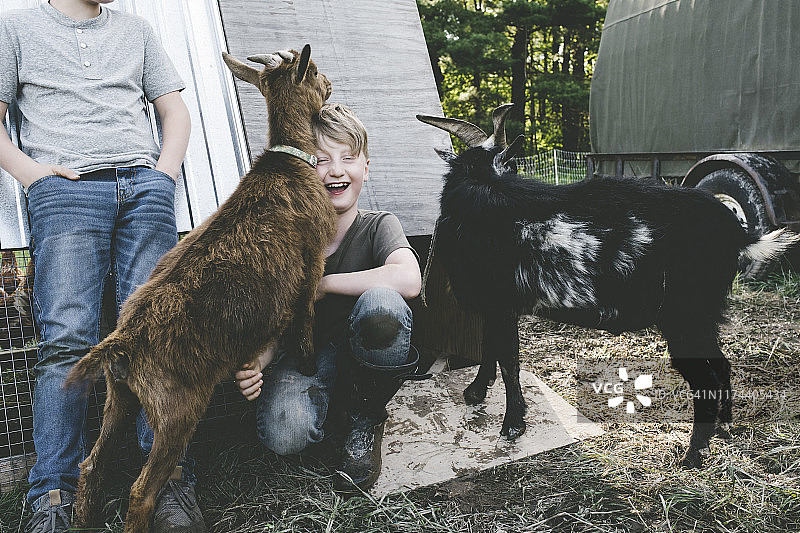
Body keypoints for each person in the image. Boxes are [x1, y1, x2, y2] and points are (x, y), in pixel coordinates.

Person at [0, 1, 202, 531]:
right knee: (67, 336)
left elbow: (174, 110)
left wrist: (164, 175)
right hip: (66, 193)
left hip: (143, 189)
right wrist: (34, 176)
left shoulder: (135, 30)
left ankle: (168, 483)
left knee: (156, 336)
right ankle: (51, 496)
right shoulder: (16, 28)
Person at [236, 102, 422, 492]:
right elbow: (278, 318)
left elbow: (408, 279)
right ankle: (332, 411)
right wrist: (259, 360)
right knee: (284, 435)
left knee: (383, 305)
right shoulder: (286, 239)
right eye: (321, 160)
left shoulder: (379, 226)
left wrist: (322, 285)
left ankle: (365, 417)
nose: (336, 170)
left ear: (365, 169)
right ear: (305, 173)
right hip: (306, 356)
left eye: (348, 158)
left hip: (363, 354)